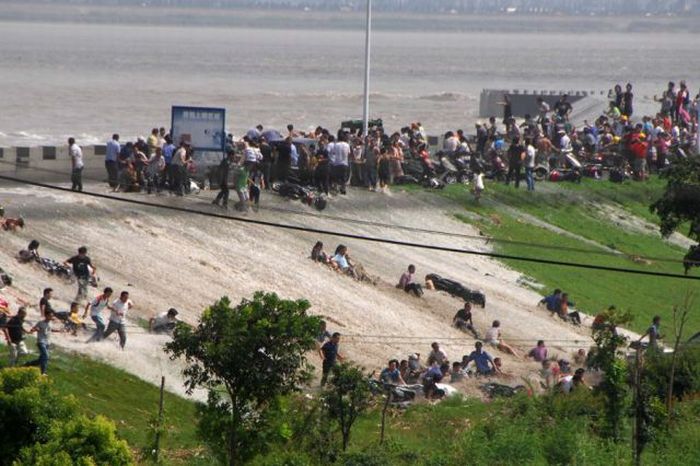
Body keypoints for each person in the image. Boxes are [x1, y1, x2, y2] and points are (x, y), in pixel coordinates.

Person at [28, 309, 62, 375]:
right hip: (41, 342)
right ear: (46, 316)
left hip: (47, 343)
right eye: (50, 316)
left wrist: (58, 330)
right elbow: (33, 328)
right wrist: (35, 329)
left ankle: (28, 364)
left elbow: (50, 329)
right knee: (46, 356)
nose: (51, 317)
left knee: (41, 359)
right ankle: (43, 373)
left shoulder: (50, 323)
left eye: (52, 316)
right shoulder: (40, 323)